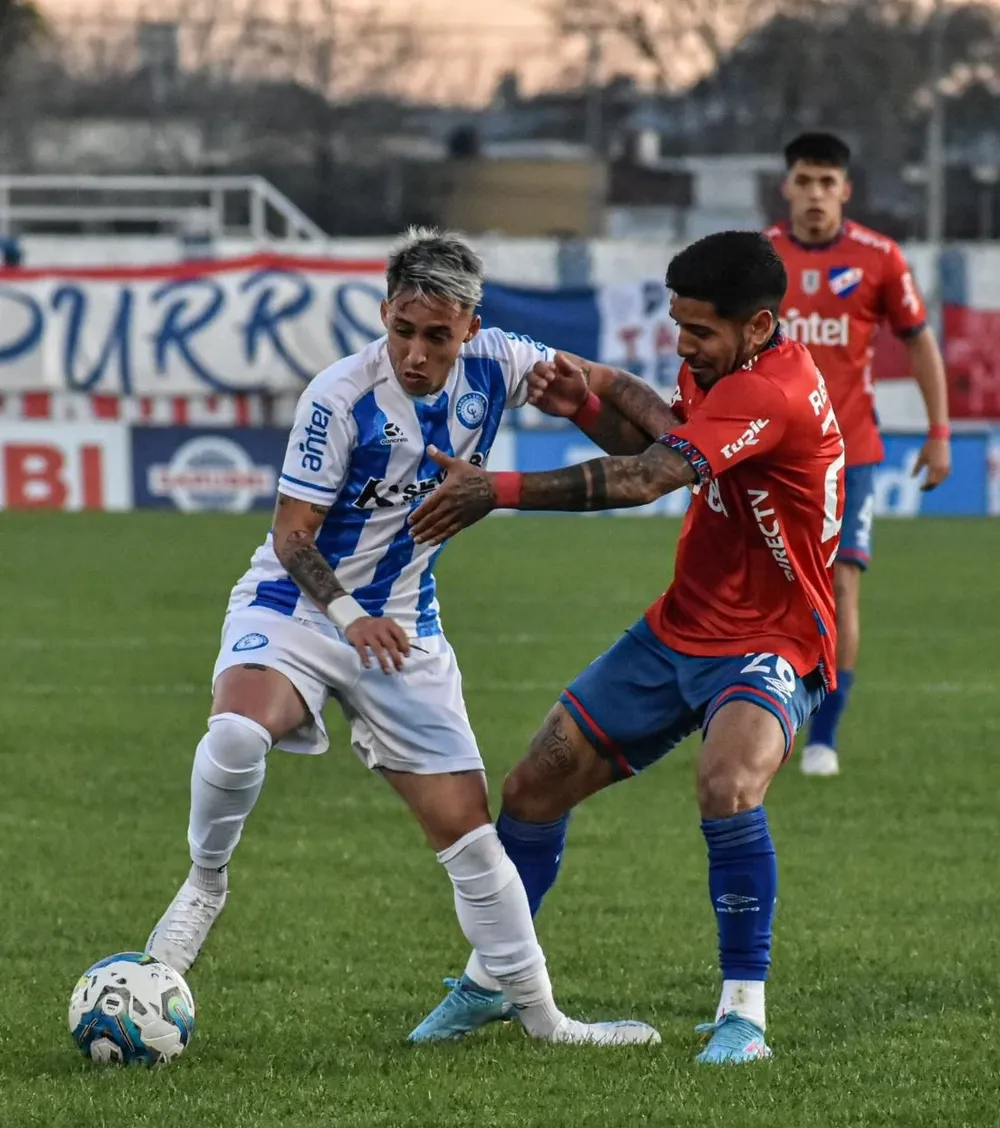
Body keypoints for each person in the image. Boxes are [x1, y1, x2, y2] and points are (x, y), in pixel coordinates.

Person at [144, 226, 658, 1049]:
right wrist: (350, 617)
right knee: (238, 733)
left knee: (469, 834)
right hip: (301, 609)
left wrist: (669, 436)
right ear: (385, 313)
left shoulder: (503, 361)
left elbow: (608, 401)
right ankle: (205, 883)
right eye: (403, 330)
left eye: (438, 337)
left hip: (406, 626)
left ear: (470, 328)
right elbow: (292, 537)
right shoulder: (338, 397)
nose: (417, 353)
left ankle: (544, 1019)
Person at [408, 230, 844, 1063]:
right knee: (533, 787)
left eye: (700, 330)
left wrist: (492, 491)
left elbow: (649, 478)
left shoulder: (775, 392)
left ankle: (743, 1015)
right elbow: (672, 436)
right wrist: (586, 395)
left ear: (758, 327)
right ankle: (495, 978)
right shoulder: (726, 372)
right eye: (676, 324)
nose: (684, 343)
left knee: (726, 785)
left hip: (774, 638)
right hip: (680, 624)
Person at [769, 131, 951, 776]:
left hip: (851, 454)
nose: (815, 193)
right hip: (771, 457)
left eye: (827, 182)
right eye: (804, 180)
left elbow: (920, 342)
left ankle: (825, 735)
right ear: (787, 185)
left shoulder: (880, 258)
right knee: (767, 589)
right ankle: (757, 715)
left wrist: (938, 432)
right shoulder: (760, 260)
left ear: (845, 189)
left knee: (842, 584)